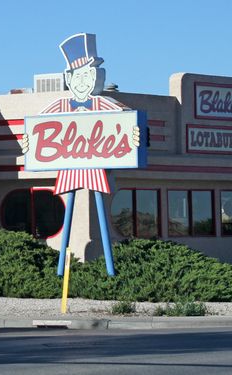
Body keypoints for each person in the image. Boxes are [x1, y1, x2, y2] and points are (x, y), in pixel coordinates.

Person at [22, 33, 141, 276]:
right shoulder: (58, 107)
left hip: (95, 169)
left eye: (89, 75)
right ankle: (60, 274)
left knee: (98, 204)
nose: (84, 81)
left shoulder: (104, 105)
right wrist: (28, 142)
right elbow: (37, 126)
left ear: (98, 77)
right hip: (71, 170)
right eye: (79, 76)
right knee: (69, 216)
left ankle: (109, 274)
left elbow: (127, 118)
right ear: (68, 78)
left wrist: (135, 135)